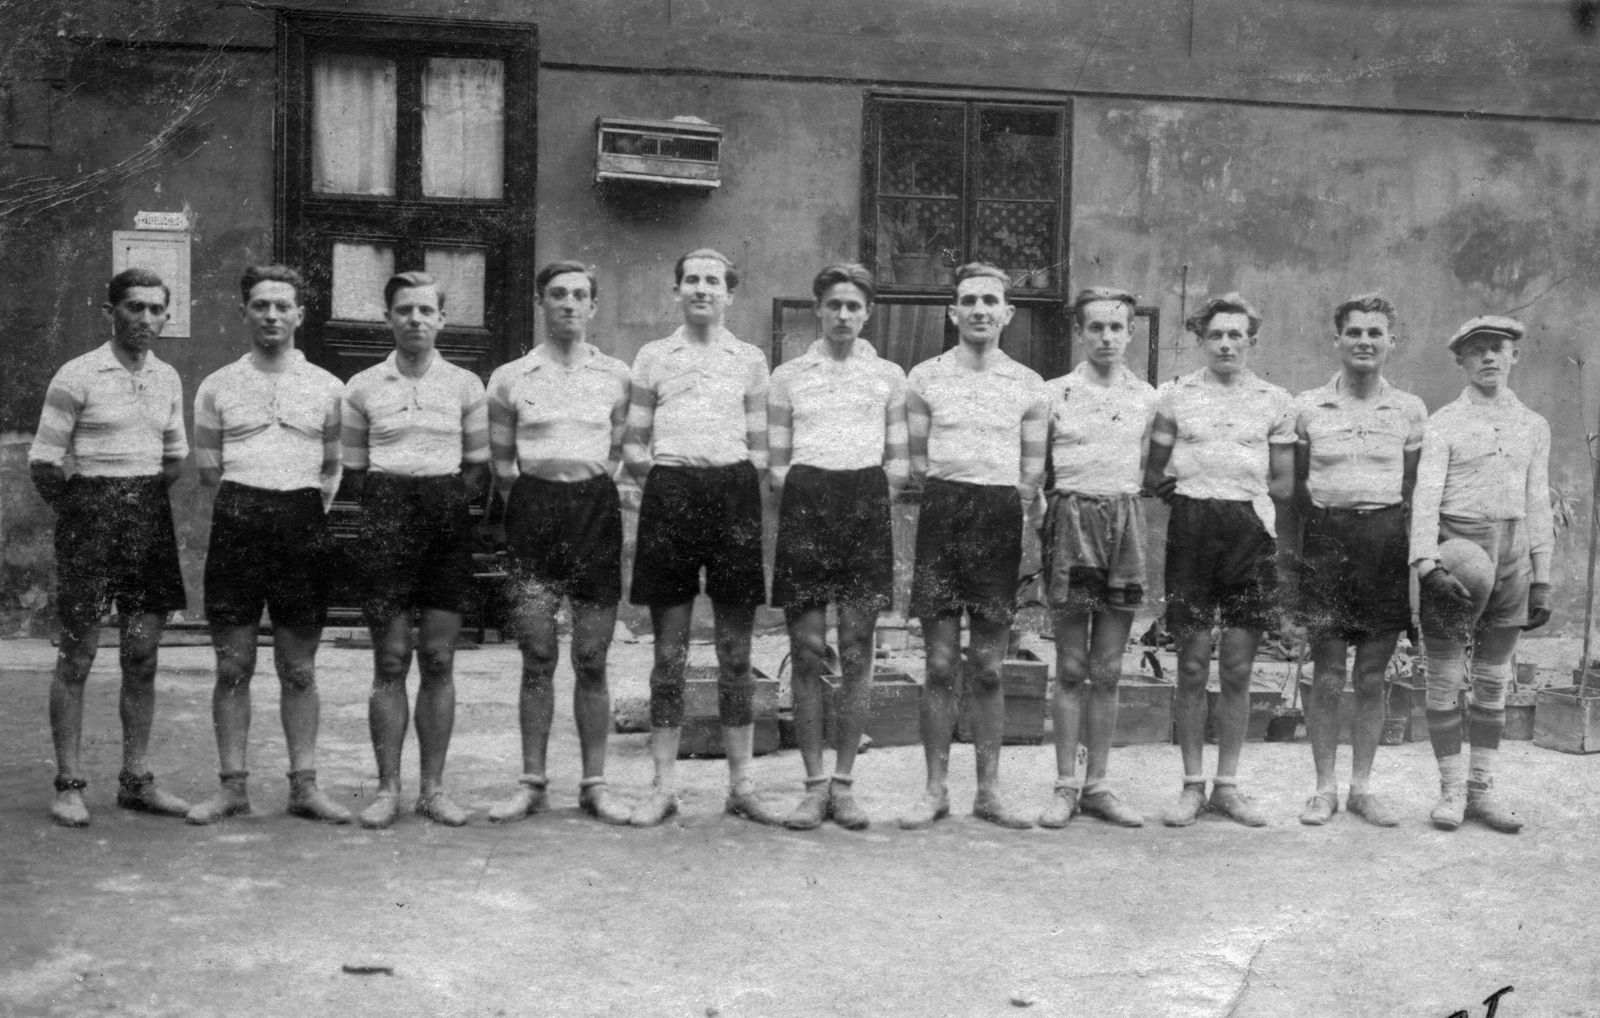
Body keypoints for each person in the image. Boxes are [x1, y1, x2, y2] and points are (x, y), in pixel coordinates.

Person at [185, 264, 351, 825]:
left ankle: (304, 787)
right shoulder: (217, 386)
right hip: (238, 520)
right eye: (261, 305)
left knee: (298, 668)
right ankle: (232, 787)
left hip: (301, 523)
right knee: (233, 665)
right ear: (244, 312)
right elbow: (210, 471)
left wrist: (295, 510)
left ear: (300, 314)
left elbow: (332, 470)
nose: (272, 315)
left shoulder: (329, 388)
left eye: (283, 306)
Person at [30, 268, 192, 827]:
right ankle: (69, 784)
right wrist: (85, 512)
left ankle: (136, 780)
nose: (145, 318)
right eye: (134, 307)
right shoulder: (77, 374)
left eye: (156, 309)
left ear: (166, 317)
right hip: (90, 518)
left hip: (148, 515)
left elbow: (174, 459)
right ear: (111, 312)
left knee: (142, 656)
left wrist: (136, 500)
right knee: (77, 655)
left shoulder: (168, 377)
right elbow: (44, 463)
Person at [622, 248, 776, 826]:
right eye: (692, 280)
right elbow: (633, 441)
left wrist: (730, 478)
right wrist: (667, 479)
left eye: (713, 281)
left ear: (729, 294)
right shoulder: (653, 356)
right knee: (669, 654)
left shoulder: (749, 358)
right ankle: (663, 786)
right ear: (677, 291)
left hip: (733, 495)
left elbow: (760, 446)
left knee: (737, 654)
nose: (702, 289)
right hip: (671, 493)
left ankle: (742, 786)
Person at [899, 262, 1048, 831]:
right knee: (939, 663)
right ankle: (934, 790)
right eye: (969, 300)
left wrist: (1012, 517)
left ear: (1007, 313)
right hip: (943, 513)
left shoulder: (1028, 384)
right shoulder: (925, 377)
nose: (980, 310)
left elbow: (1031, 473)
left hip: (998, 516)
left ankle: (989, 791)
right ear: (952, 311)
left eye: (990, 301)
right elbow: (918, 462)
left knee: (987, 667)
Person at [483, 261, 632, 825]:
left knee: (591, 657)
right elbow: (502, 465)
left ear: (593, 306)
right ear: (541, 302)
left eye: (579, 295)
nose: (569, 303)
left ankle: (595, 785)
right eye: (557, 294)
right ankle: (532, 784)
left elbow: (619, 449)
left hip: (594, 513)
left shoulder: (616, 375)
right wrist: (540, 495)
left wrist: (584, 486)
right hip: (533, 513)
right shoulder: (510, 377)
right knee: (537, 654)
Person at [341, 271, 490, 828]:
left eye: (426, 310)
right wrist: (394, 504)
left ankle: (433, 788)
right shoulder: (362, 386)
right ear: (388, 318)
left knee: (439, 657)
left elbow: (476, 467)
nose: (415, 319)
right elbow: (354, 471)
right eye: (404, 310)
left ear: (442, 320)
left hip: (444, 517)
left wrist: (439, 502)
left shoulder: (465, 385)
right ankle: (387, 789)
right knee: (390, 657)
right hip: (386, 516)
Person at [1143, 293, 1295, 828]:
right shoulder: (1175, 395)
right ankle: (1191, 785)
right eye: (1216, 335)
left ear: (1251, 341)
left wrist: (1238, 492)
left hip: (1249, 532)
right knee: (1190, 664)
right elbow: (1153, 470)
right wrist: (1181, 487)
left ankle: (1227, 785)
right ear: (1201, 340)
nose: (1226, 344)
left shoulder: (1275, 400)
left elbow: (1284, 482)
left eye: (1236, 335)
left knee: (1237, 666)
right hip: (1191, 530)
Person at [768, 264, 909, 831]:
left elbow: (898, 462)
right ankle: (811, 785)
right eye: (834, 305)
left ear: (868, 313)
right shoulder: (788, 376)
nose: (843, 315)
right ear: (818, 310)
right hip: (807, 503)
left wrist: (864, 498)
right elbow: (777, 465)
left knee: (855, 648)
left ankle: (845, 784)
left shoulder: (889, 376)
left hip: (864, 505)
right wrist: (812, 492)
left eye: (854, 306)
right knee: (806, 650)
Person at [1286, 294, 1426, 828]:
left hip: (1385, 541)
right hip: (1328, 540)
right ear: (1337, 339)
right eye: (1354, 332)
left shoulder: (1410, 409)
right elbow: (1296, 489)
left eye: (1375, 333)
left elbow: (1412, 487)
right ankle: (1323, 788)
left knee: (1370, 675)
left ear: (1391, 341)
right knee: (1326, 674)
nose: (1364, 341)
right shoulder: (1308, 406)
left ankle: (1362, 788)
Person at [1411, 315, 1553, 833]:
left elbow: (1537, 501)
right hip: (1457, 552)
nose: (1489, 357)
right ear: (1461, 360)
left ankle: (1481, 791)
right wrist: (1427, 565)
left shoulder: (1534, 424)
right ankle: (1450, 791)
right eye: (1477, 350)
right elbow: (1425, 499)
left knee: (1494, 680)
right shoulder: (1444, 422)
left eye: (1498, 348)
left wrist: (1543, 576)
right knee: (1444, 676)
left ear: (1515, 355)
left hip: (1512, 552)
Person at [1036, 287, 1154, 829]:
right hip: (1070, 525)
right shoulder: (1053, 393)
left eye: (1116, 327)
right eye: (1096, 327)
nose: (1107, 337)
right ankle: (1065, 784)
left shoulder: (1148, 398)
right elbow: (1035, 470)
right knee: (1071, 667)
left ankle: (1099, 785)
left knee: (1107, 670)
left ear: (1131, 333)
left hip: (1124, 526)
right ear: (1080, 332)